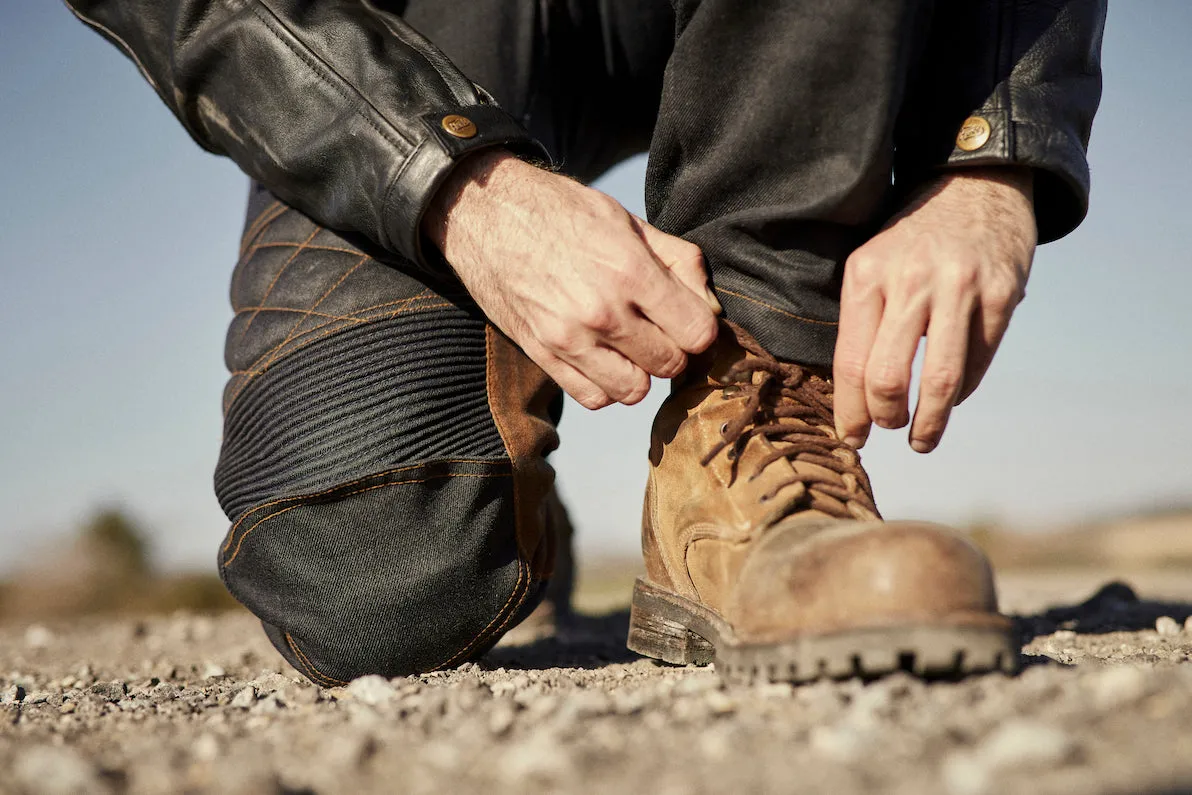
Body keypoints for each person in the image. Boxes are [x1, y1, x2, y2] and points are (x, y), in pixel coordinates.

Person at [66, 0, 1105, 685]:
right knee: (372, 587)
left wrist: (997, 157)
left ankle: (740, 434)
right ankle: (506, 467)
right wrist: (448, 186)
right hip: (401, 35)